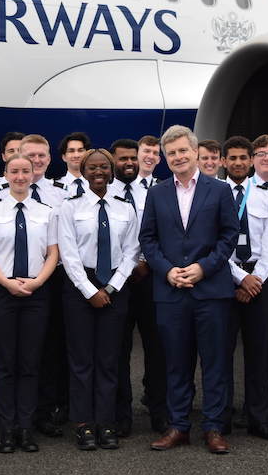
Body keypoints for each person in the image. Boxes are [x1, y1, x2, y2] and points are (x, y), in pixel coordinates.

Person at [140, 125, 238, 455]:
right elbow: (148, 240)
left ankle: (214, 427)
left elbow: (229, 237)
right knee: (176, 363)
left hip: (211, 291)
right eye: (172, 153)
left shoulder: (220, 190)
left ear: (195, 152)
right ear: (165, 159)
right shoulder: (157, 193)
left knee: (215, 363)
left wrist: (202, 268)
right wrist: (168, 272)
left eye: (183, 150)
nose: (178, 157)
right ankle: (179, 426)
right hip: (171, 292)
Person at [0, 153, 60, 453]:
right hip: (2, 291)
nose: (21, 176)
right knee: (5, 363)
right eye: (15, 171)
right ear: (6, 174)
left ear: (34, 174)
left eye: (26, 171)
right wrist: (6, 283)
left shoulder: (47, 212)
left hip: (36, 293)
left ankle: (26, 427)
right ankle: (7, 428)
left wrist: (36, 282)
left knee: (31, 363)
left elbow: (53, 254)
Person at [59, 148, 140, 450]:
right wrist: (90, 290)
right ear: (82, 170)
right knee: (81, 360)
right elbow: (68, 254)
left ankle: (107, 422)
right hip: (81, 288)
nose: (98, 172)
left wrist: (112, 287)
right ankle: (83, 424)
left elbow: (132, 252)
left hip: (115, 287)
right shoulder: (70, 207)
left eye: (103, 167)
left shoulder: (124, 207)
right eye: (92, 167)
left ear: (111, 170)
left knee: (109, 359)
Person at [0, 134, 71, 437]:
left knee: (49, 347)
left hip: (51, 278)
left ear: (48, 159)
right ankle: (11, 416)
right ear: (19, 156)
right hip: (10, 278)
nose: (38, 160)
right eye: (32, 155)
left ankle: (43, 412)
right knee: (12, 352)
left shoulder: (60, 193)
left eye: (43, 155)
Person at [223, 134, 268, 441]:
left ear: (251, 161)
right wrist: (238, 278)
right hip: (225, 282)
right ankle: (222, 419)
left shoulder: (267, 196)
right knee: (222, 353)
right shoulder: (216, 195)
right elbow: (215, 244)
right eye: (231, 158)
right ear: (223, 162)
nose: (237, 163)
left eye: (243, 158)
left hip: (260, 281)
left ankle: (259, 417)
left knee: (259, 353)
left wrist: (254, 279)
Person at [110, 138, 168, 437]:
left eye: (133, 158)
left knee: (156, 348)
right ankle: (121, 415)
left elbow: (159, 232)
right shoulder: (104, 193)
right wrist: (125, 268)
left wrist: (145, 262)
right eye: (123, 159)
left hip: (149, 279)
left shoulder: (156, 192)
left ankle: (160, 412)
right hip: (117, 282)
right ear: (113, 161)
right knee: (118, 349)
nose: (129, 163)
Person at [58, 132, 92, 197]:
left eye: (80, 150)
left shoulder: (99, 185)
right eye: (71, 151)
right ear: (64, 157)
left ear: (88, 154)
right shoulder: (53, 187)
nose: (76, 155)